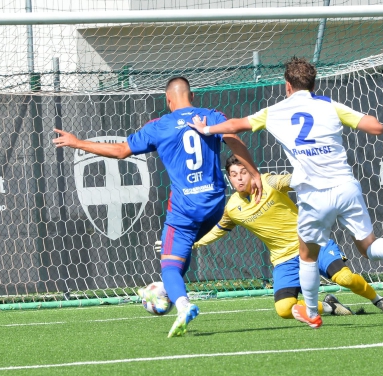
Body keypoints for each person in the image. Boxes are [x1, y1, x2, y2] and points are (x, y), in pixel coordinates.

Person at [188, 57, 383, 329]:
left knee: (307, 255)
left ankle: (313, 313)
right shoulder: (328, 104)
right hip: (346, 186)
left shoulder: (275, 111)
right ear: (313, 84)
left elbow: (234, 126)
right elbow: (376, 127)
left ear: (287, 86)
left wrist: (206, 128)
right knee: (369, 246)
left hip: (315, 194)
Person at [53, 76, 262, 337]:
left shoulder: (159, 126)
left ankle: (182, 304)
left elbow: (120, 151)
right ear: (192, 96)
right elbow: (233, 138)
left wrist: (78, 142)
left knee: (170, 263)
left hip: (185, 208)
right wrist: (254, 173)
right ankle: (165, 290)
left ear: (168, 100)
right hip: (215, 204)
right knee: (177, 255)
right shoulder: (211, 115)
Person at [166, 155, 383, 320]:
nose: (238, 178)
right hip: (282, 259)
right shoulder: (232, 207)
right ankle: (330, 307)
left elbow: (292, 181)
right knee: (284, 309)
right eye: (233, 174)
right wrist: (190, 243)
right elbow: (218, 229)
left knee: (345, 279)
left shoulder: (268, 182)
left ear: (252, 173)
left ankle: (379, 300)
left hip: (311, 242)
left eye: (243, 173)